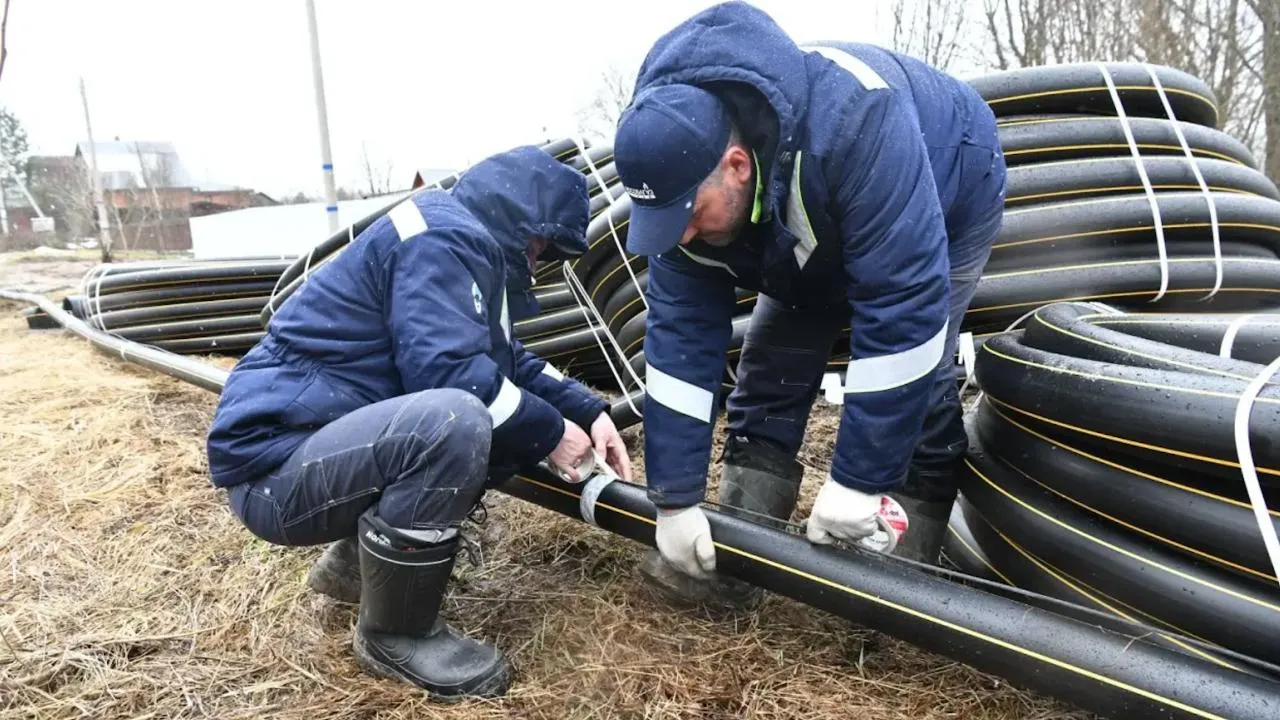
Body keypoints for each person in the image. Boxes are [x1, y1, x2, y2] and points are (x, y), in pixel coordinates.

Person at [611, 2, 1006, 608]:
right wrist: (675, 498)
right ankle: (736, 561)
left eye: (689, 216)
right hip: (808, 210)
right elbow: (680, 342)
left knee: (918, 379)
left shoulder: (857, 121)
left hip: (950, 179)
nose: (680, 237)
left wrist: (855, 480)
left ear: (736, 167)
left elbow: (904, 308)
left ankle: (896, 581)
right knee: (770, 367)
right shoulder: (680, 178)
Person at [205, 145, 633, 700]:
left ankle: (353, 571)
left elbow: (505, 360)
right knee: (456, 419)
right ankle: (393, 634)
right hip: (275, 470)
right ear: (521, 218)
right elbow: (452, 372)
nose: (535, 261)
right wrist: (551, 433)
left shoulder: (456, 235)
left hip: (311, 448)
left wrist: (585, 408)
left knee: (490, 426)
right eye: (540, 246)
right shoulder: (445, 239)